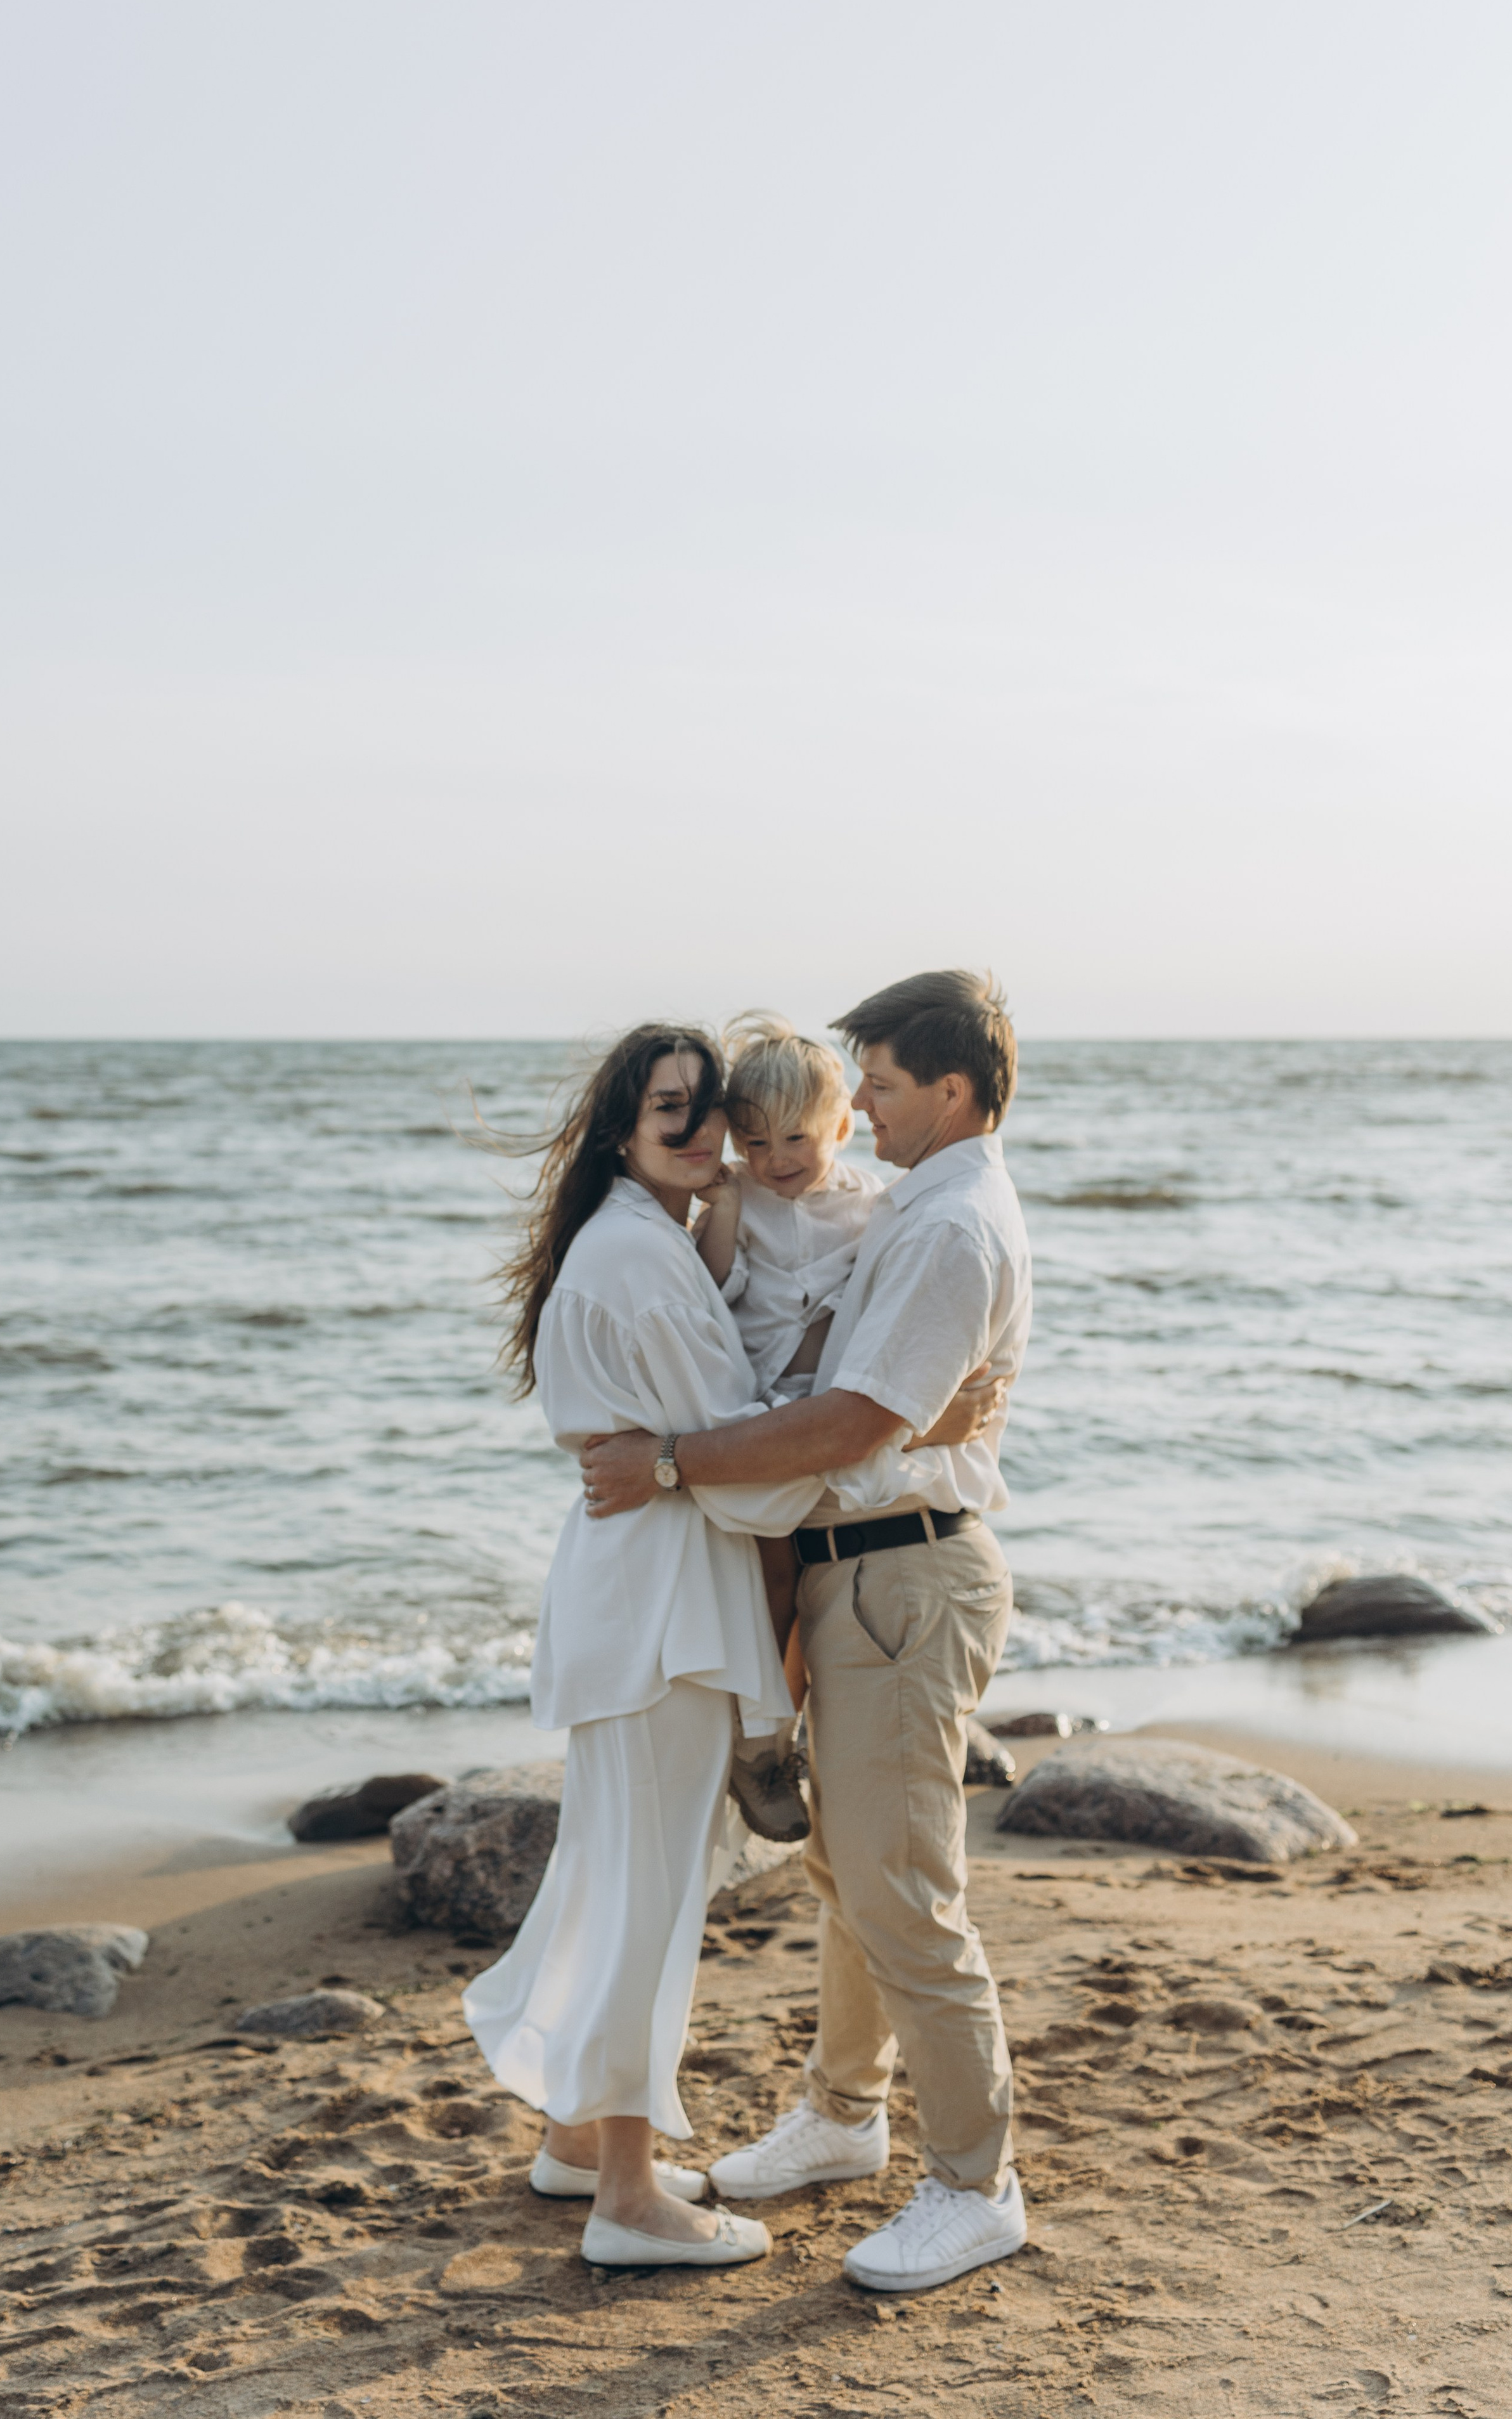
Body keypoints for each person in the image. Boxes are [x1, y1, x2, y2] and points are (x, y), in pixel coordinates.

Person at [579, 969, 1032, 2294]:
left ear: (947, 1088)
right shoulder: (913, 1209)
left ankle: (975, 2185)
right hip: (852, 1573)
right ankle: (842, 2115)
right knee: (847, 1871)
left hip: (904, 1577)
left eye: (879, 1085)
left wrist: (665, 1462)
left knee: (902, 1893)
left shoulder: (946, 1228)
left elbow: (847, 1427)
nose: (865, 1110)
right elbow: (844, 1384)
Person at [463, 1023, 886, 2269]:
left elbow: (696, 1447)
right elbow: (743, 1474)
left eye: (712, 1111)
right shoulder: (642, 1260)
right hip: (656, 1615)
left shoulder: (630, 1238)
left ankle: (579, 2142)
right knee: (645, 1903)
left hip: (630, 1595)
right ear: (620, 1129)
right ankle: (630, 2203)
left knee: (612, 1879)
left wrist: (704, 1450)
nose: (707, 1136)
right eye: (674, 1114)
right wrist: (840, 1410)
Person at [693, 1013, 883, 1845]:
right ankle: (758, 1744)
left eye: (797, 1139)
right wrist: (728, 1208)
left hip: (837, 1420)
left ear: (841, 1125)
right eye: (756, 1142)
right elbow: (711, 1285)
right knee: (772, 1582)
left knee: (821, 1592)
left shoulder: (877, 1202)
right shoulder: (750, 1202)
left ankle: (793, 1735)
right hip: (762, 1416)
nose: (777, 1160)